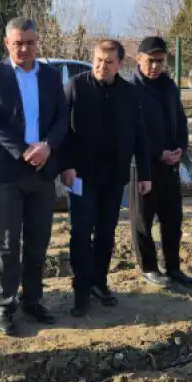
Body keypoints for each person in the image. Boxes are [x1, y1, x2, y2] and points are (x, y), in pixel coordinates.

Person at [0, 17, 68, 335]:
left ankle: (33, 299)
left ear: (37, 42)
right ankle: (4, 304)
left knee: (38, 240)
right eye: (18, 43)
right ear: (7, 43)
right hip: (8, 172)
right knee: (6, 243)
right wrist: (22, 151)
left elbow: (62, 117)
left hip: (42, 171)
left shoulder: (51, 76)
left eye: (30, 42)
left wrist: (48, 146)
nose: (24, 48)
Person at [60, 40, 151, 316]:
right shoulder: (76, 87)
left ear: (120, 64)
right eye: (98, 60)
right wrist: (65, 165)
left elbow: (140, 134)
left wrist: (144, 173)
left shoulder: (129, 93)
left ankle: (99, 282)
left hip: (114, 176)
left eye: (109, 62)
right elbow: (61, 130)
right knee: (80, 231)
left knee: (106, 232)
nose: (102, 66)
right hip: (81, 176)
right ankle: (81, 289)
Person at [129, 36, 192, 289]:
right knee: (143, 220)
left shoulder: (169, 87)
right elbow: (132, 133)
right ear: (139, 59)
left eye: (160, 61)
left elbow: (181, 121)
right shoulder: (131, 90)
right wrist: (158, 153)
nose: (155, 66)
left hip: (171, 166)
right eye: (150, 61)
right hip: (143, 167)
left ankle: (173, 267)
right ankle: (149, 268)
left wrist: (181, 148)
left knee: (173, 219)